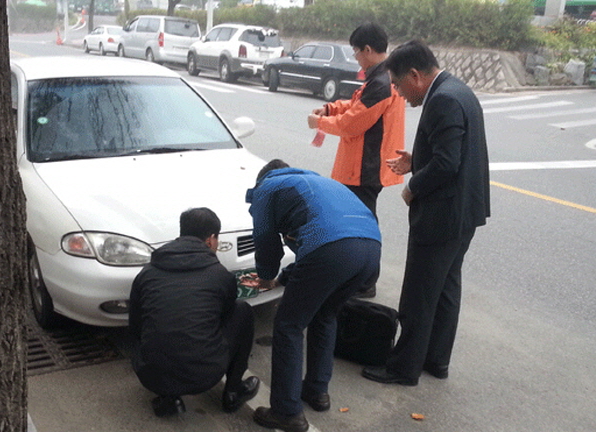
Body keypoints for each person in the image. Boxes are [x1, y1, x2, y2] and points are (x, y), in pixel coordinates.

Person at [361, 40, 491, 386]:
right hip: (464, 213)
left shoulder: (443, 100)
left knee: (419, 294)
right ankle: (436, 361)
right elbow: (454, 151)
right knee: (445, 290)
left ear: (415, 75)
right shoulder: (458, 90)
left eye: (399, 85)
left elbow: (447, 163)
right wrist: (416, 160)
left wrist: (413, 186)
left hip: (441, 215)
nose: (400, 94)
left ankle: (402, 368)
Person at [246, 160, 381, 432]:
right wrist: (283, 278)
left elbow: (265, 240)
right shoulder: (317, 183)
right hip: (370, 250)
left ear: (262, 180)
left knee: (288, 325)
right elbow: (316, 250)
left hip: (334, 250)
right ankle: (317, 391)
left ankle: (286, 412)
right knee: (325, 315)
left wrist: (266, 276)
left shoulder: (266, 189)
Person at [128, 207, 260, 416]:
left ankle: (169, 398)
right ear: (210, 240)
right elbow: (225, 316)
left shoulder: (148, 272)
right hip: (204, 375)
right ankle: (233, 392)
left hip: (150, 375)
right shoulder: (220, 275)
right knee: (242, 310)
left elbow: (135, 324)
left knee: (156, 326)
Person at [307, 22, 405, 298]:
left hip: (366, 168)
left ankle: (364, 282)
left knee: (362, 227)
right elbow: (356, 106)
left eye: (356, 52)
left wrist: (320, 122)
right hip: (366, 167)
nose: (356, 57)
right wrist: (330, 108)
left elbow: (352, 123)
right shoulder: (382, 77)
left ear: (368, 50)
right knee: (361, 223)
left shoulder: (381, 83)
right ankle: (360, 278)